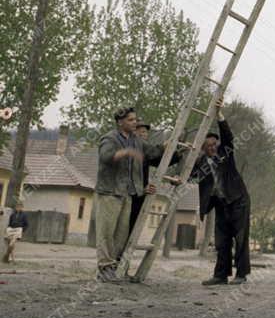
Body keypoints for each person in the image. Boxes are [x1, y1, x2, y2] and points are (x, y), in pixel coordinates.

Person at [167, 96, 250, 286]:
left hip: (238, 200)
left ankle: (241, 275)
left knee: (240, 237)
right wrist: (176, 180)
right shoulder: (202, 163)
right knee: (221, 241)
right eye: (208, 146)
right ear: (203, 148)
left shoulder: (226, 153)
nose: (212, 148)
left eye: (214, 144)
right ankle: (220, 276)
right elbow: (189, 177)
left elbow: (228, 136)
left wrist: (219, 113)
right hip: (221, 204)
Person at [95, 106, 160, 282]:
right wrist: (125, 152)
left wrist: (173, 147)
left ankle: (114, 267)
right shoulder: (110, 138)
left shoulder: (136, 140)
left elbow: (153, 152)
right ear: (120, 122)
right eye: (131, 120)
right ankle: (104, 268)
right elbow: (105, 157)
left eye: (135, 119)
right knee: (107, 232)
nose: (135, 123)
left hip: (127, 193)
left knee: (122, 233)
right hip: (110, 192)